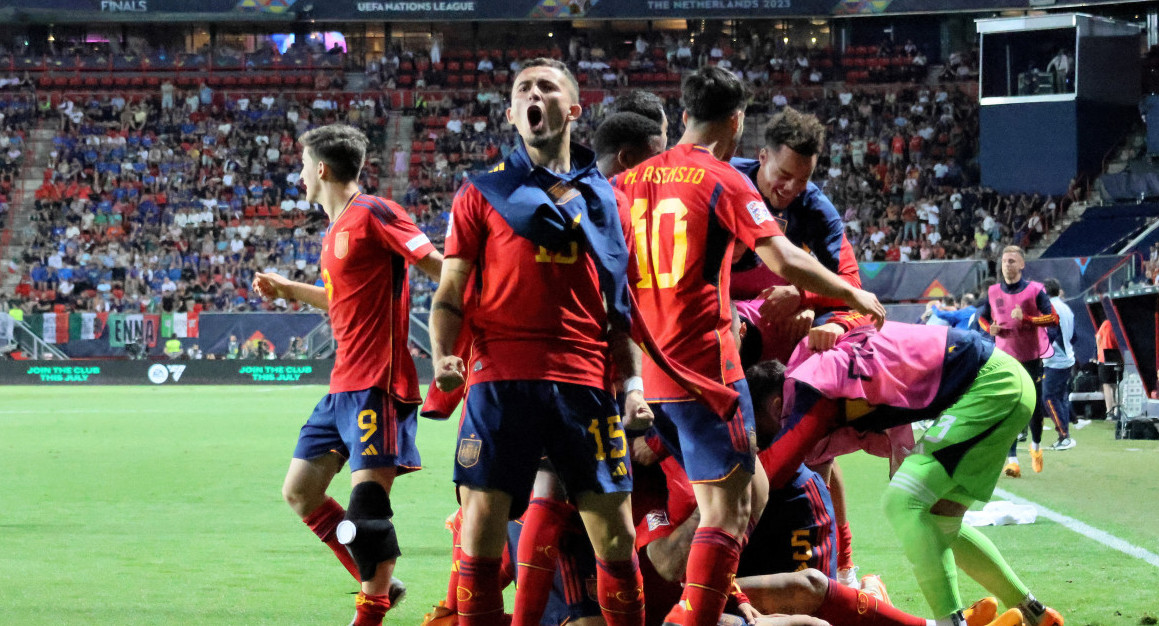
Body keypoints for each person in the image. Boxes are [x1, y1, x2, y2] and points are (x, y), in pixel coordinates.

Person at [614, 66, 885, 626]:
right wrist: (853, 293)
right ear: (738, 124)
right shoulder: (722, 179)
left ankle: (723, 607)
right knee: (729, 512)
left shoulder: (631, 181)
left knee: (749, 488)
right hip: (709, 374)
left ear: (685, 115)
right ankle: (700, 619)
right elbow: (784, 259)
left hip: (651, 374)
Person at [429, 58, 650, 626]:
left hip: (583, 383)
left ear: (572, 109)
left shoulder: (610, 203)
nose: (534, 94)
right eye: (523, 88)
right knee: (479, 532)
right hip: (500, 379)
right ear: (511, 113)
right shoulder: (481, 194)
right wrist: (443, 355)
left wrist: (632, 387)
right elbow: (450, 294)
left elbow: (620, 313)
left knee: (617, 539)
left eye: (547, 87)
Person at [746, 317, 1064, 626]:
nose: (770, 442)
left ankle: (950, 623)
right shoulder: (816, 378)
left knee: (902, 502)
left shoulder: (807, 389)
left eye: (764, 434)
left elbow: (775, 469)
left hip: (990, 384)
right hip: (1000, 384)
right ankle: (1036, 613)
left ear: (775, 407)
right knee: (942, 522)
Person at [252, 124, 443, 626]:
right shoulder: (335, 230)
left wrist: (482, 303)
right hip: (342, 385)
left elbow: (437, 266)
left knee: (368, 511)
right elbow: (341, 300)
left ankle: (372, 608)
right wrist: (292, 289)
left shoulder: (375, 212)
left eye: (301, 166)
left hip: (377, 383)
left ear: (321, 169)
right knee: (300, 492)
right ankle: (379, 578)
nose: (298, 176)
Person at [729, 106, 868, 590]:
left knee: (816, 454)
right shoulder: (727, 184)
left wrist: (806, 299)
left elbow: (852, 286)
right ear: (760, 157)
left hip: (774, 341)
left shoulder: (815, 208)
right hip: (724, 334)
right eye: (782, 175)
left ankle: (844, 564)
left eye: (801, 181)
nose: (789, 190)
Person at [975, 246, 1058, 476]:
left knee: (1033, 408)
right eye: (1004, 261)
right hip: (1005, 358)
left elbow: (1052, 319)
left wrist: (1028, 319)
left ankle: (1036, 446)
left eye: (1012, 261)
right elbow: (981, 319)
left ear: (1022, 264)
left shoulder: (1035, 290)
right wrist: (989, 328)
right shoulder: (993, 292)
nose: (1007, 265)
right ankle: (1012, 461)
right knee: (1009, 407)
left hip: (1031, 357)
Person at [1041, 278, 1076, 450]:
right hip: (1066, 357)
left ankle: (1064, 436)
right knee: (1060, 398)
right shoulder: (1066, 308)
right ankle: (1065, 436)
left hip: (1056, 359)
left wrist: (1041, 350)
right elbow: (1074, 335)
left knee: (1049, 397)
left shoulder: (1050, 308)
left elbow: (1052, 333)